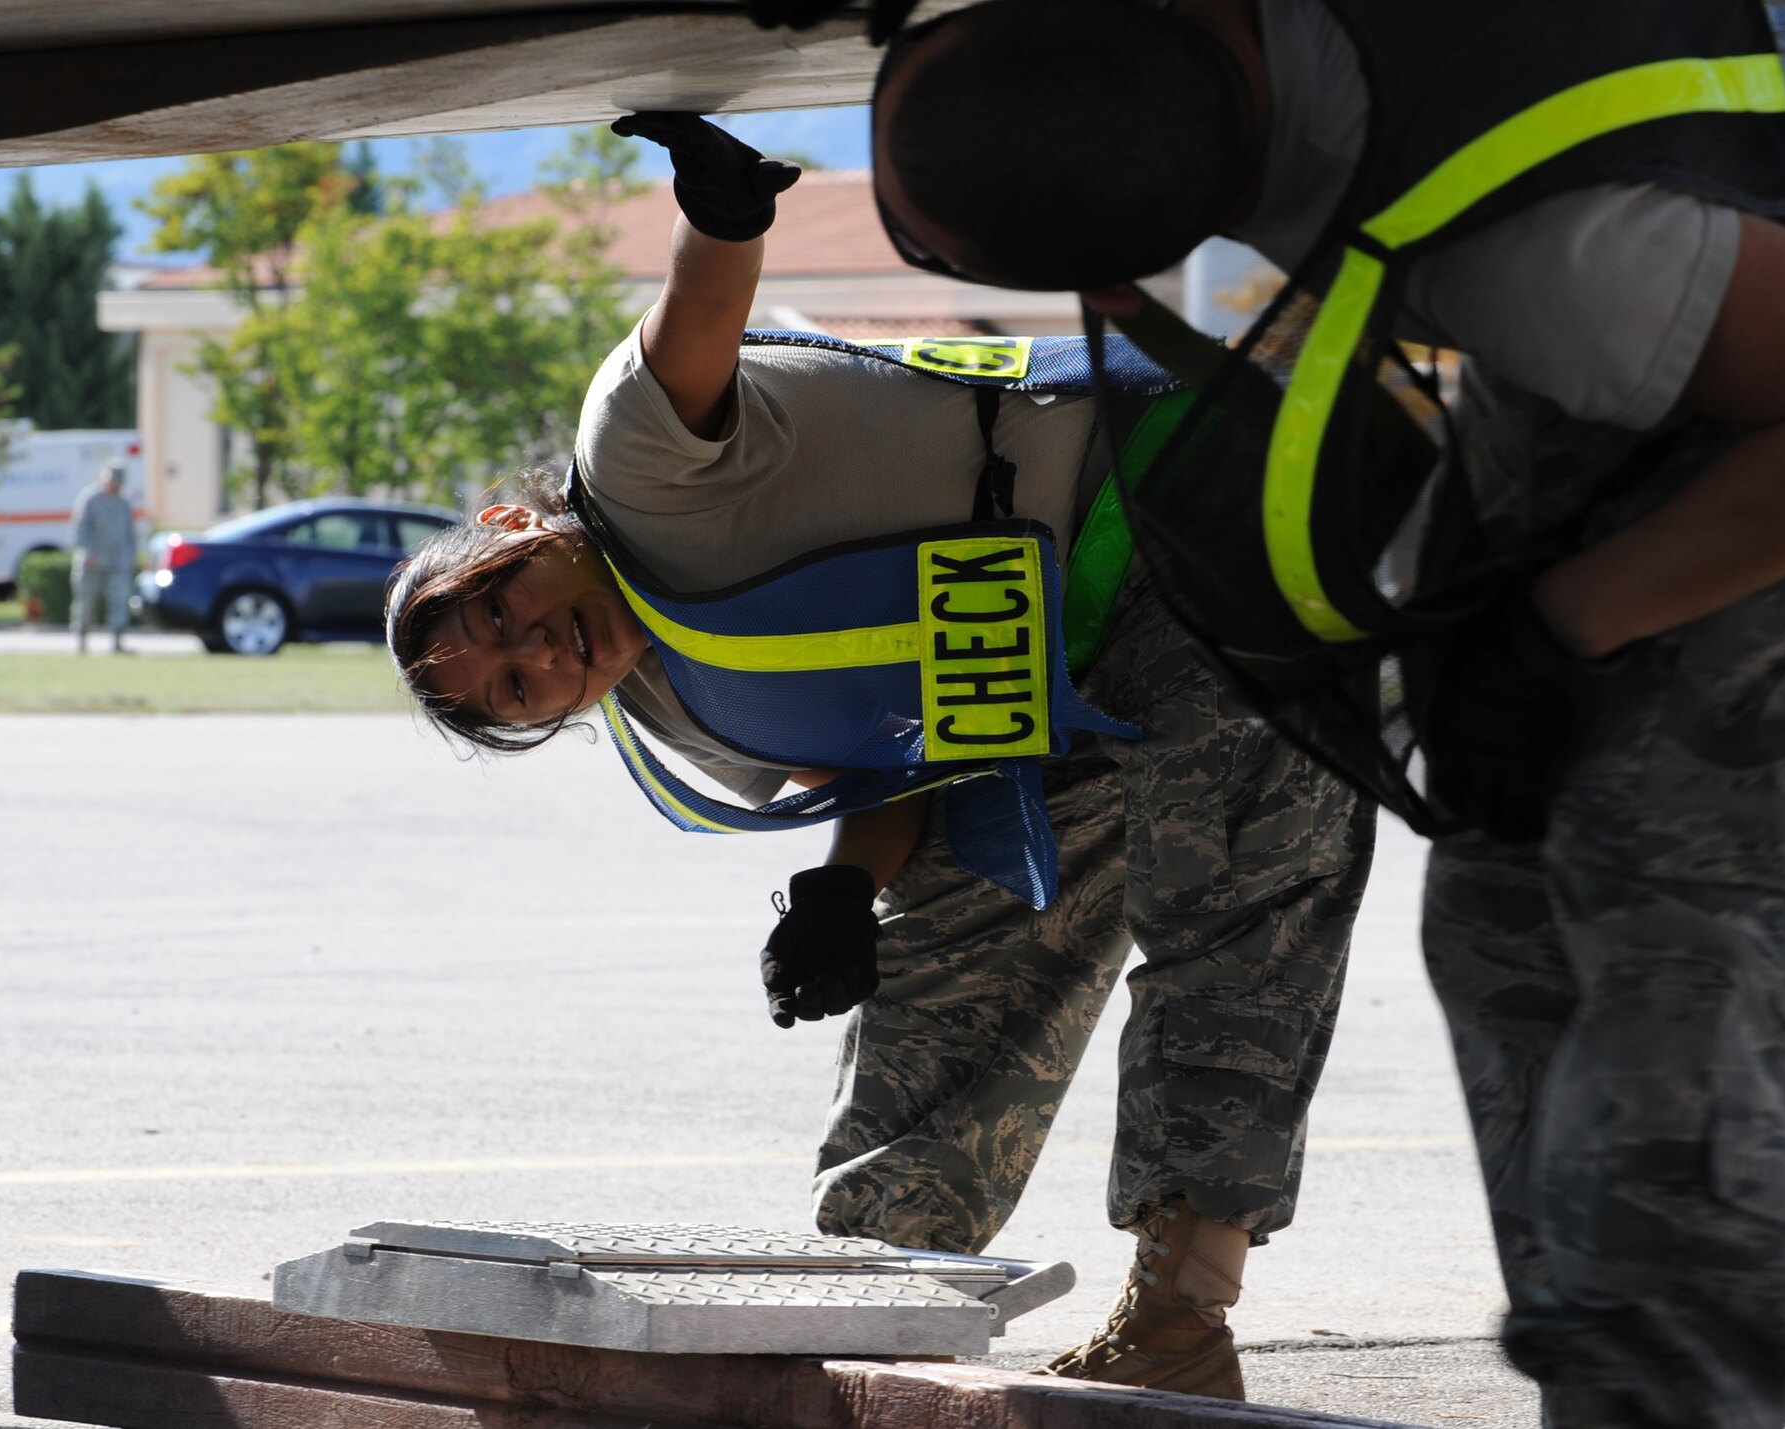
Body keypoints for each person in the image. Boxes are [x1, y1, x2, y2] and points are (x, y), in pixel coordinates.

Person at [849, 2, 1785, 1425]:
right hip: (1637, 407)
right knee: (1496, 910)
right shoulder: (1251, 50)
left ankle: (1668, 1370)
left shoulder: (1552, 258)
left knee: (1666, 976)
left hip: (1749, 447)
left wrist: (1568, 622)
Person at [386, 112, 1373, 1400]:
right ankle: (873, 1308)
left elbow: (694, 326)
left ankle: (1180, 1318)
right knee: (944, 936)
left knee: (1232, 896)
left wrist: (725, 212)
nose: (534, 644)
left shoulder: (635, 471)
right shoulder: (690, 720)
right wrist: (845, 890)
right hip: (1046, 703)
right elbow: (900, 769)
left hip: (1190, 509)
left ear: (515, 526)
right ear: (539, 724)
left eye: (501, 604)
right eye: (512, 684)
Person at [70, 462, 136, 655]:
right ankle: (81, 642)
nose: (115, 487)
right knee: (85, 603)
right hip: (92, 562)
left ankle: (117, 642)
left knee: (119, 602)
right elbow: (80, 529)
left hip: (117, 563)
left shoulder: (124, 503)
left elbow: (129, 534)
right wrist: (88, 551)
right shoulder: (90, 499)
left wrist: (131, 557)